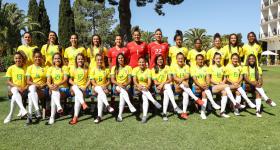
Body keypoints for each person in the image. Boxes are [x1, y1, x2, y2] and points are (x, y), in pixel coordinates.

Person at [207, 52, 245, 118]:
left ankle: (222, 112)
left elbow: (225, 78)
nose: (218, 60)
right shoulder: (211, 67)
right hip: (213, 87)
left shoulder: (223, 67)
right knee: (227, 86)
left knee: (224, 92)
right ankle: (235, 103)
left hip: (221, 86)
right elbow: (209, 79)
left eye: (219, 58)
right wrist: (217, 83)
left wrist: (222, 82)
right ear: (213, 59)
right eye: (217, 58)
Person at [172, 53, 204, 119]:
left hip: (185, 87)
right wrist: (183, 81)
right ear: (176, 59)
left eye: (182, 58)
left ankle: (184, 113)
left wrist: (182, 80)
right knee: (183, 86)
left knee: (186, 94)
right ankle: (196, 99)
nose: (180, 60)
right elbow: (175, 78)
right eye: (179, 58)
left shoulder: (186, 66)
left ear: (184, 59)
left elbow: (187, 76)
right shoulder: (173, 66)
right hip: (176, 87)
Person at [151, 55, 182, 121]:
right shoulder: (153, 69)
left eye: (161, 59)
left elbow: (170, 79)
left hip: (165, 87)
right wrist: (162, 84)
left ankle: (164, 114)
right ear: (156, 61)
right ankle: (175, 106)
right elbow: (155, 82)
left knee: (166, 91)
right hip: (158, 88)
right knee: (167, 86)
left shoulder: (167, 67)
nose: (160, 61)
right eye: (158, 59)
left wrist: (162, 84)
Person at [191, 54, 221, 119]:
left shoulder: (206, 68)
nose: (200, 61)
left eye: (201, 59)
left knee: (205, 93)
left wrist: (207, 84)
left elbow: (208, 78)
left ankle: (203, 113)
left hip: (204, 87)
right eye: (199, 59)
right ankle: (213, 103)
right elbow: (195, 79)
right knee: (205, 90)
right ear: (196, 60)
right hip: (196, 86)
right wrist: (201, 85)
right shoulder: (193, 68)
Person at [132, 57, 162, 123]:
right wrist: (138, 86)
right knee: (144, 91)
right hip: (137, 88)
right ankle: (154, 101)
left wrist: (147, 86)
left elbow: (149, 82)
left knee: (144, 97)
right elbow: (134, 80)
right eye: (140, 62)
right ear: (138, 63)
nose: (141, 63)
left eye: (143, 62)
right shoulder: (135, 69)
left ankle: (144, 116)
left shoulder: (148, 70)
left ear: (145, 63)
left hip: (146, 88)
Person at [4, 52, 30, 124]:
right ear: (14, 59)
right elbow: (8, 82)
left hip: (25, 89)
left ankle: (10, 115)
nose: (18, 60)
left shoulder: (26, 68)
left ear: (22, 59)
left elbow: (29, 81)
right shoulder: (11, 68)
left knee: (14, 97)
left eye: (19, 58)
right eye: (16, 58)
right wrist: (17, 87)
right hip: (15, 88)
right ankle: (23, 109)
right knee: (15, 90)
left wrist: (25, 88)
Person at [111, 53, 136, 122]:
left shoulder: (128, 67)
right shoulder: (114, 68)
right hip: (116, 86)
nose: (120, 59)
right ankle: (130, 105)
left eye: (122, 58)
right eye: (119, 58)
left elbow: (129, 80)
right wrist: (119, 84)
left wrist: (125, 84)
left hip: (126, 86)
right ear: (117, 59)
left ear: (124, 59)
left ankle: (119, 115)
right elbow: (112, 80)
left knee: (122, 95)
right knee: (121, 90)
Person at [45, 52, 69, 125]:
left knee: (54, 92)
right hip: (54, 89)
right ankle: (57, 108)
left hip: (64, 89)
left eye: (58, 58)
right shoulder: (50, 69)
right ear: (53, 60)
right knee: (54, 93)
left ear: (61, 59)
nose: (57, 60)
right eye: (55, 58)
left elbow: (65, 79)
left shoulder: (64, 67)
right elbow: (48, 81)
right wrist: (50, 86)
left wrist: (57, 85)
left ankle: (52, 117)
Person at [25, 50, 48, 124]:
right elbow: (28, 81)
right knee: (32, 89)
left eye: (39, 57)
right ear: (33, 58)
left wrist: (42, 85)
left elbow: (48, 81)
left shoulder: (46, 68)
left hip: (43, 89)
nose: (37, 58)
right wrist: (36, 85)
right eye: (36, 57)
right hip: (34, 88)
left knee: (30, 94)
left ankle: (30, 116)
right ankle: (37, 111)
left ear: (41, 58)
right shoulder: (30, 68)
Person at [90, 54, 114, 124]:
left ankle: (99, 116)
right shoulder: (93, 69)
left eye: (101, 60)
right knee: (99, 89)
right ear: (95, 61)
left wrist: (105, 86)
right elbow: (92, 82)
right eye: (98, 60)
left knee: (100, 96)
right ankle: (107, 105)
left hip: (103, 88)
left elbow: (109, 81)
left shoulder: (106, 70)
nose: (99, 61)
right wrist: (101, 87)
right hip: (95, 88)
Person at [69, 53, 90, 125]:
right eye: (78, 59)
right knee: (75, 87)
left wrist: (85, 86)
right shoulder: (73, 69)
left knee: (77, 98)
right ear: (76, 60)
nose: (80, 60)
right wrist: (76, 84)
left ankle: (75, 117)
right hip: (75, 88)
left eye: (81, 59)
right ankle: (83, 104)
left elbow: (89, 80)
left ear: (84, 60)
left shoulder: (86, 69)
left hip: (83, 89)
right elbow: (70, 80)